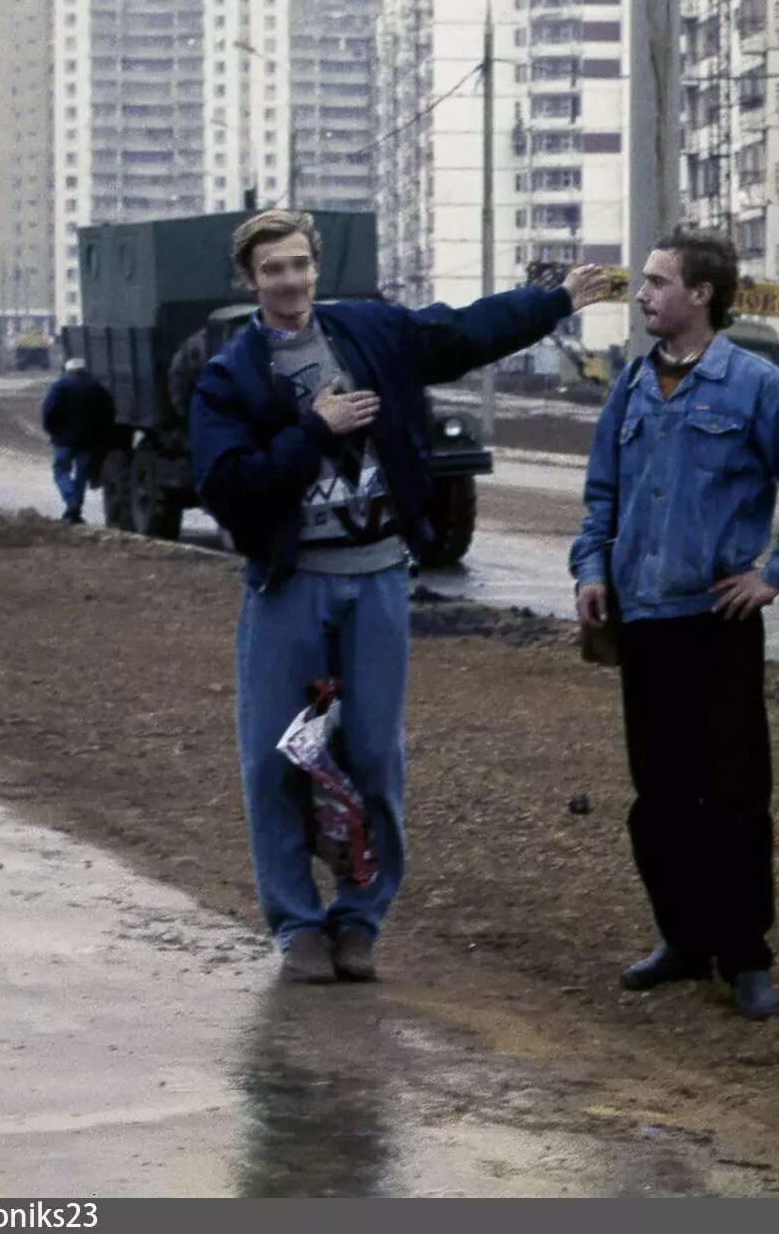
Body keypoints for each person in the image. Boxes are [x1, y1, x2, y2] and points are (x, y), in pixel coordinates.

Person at [190, 209, 614, 986]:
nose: (289, 280)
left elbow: (458, 333)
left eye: (299, 264)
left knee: (376, 754)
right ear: (250, 281)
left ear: (316, 267)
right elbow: (229, 492)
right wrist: (313, 430)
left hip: (379, 577)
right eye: (272, 269)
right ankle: (297, 926)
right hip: (289, 587)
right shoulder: (230, 376)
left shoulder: (368, 333)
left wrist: (553, 302)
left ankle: (359, 920)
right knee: (273, 760)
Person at [569, 229, 779, 1021]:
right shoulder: (629, 386)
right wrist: (591, 571)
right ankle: (684, 942)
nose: (644, 294)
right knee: (658, 799)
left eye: (658, 282)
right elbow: (601, 498)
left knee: (733, 797)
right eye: (644, 282)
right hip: (645, 623)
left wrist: (774, 575)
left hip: (716, 623)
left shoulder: (754, 386)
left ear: (702, 295)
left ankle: (746, 955)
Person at [40, 356, 116, 524]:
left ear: (68, 369)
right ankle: (75, 511)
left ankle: (71, 502)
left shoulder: (60, 386)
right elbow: (108, 413)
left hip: (64, 440)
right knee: (81, 475)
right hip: (88, 441)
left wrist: (53, 432)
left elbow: (48, 412)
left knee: (61, 472)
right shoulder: (96, 388)